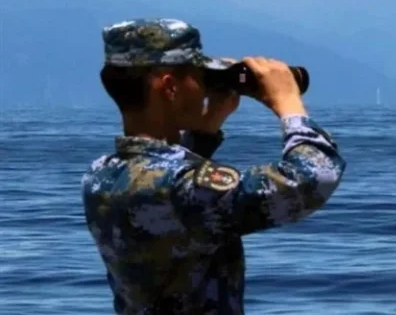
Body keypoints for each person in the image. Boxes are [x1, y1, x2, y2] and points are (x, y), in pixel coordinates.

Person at [81, 18, 346, 314]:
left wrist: (208, 126)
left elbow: (162, 176)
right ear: (170, 87)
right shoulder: (184, 189)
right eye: (200, 78)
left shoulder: (100, 175)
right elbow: (312, 178)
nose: (205, 90)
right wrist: (288, 103)